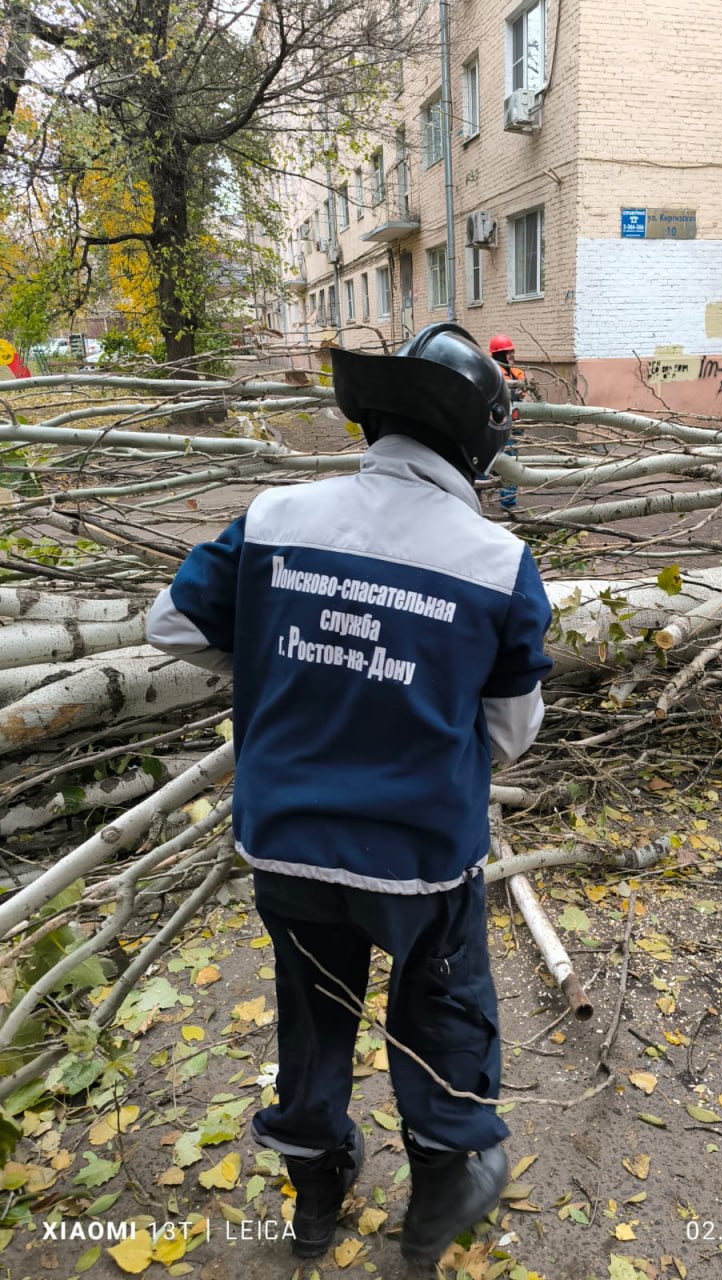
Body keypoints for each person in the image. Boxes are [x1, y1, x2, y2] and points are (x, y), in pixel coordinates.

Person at [145, 323, 553, 1266]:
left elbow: (173, 624)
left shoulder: (276, 516)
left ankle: (316, 1191)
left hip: (284, 844)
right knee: (441, 1008)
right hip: (420, 859)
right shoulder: (497, 564)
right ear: (480, 441)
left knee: (313, 1009)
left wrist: (285, 673)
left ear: (369, 413)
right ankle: (447, 1175)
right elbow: (511, 732)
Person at [488, 334, 526, 511]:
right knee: (502, 460)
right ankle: (507, 502)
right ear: (498, 355)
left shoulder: (516, 372)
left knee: (508, 460)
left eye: (511, 351)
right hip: (498, 424)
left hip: (514, 423)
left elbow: (522, 394)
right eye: (507, 352)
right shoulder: (491, 372)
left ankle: (506, 498)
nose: (511, 355)